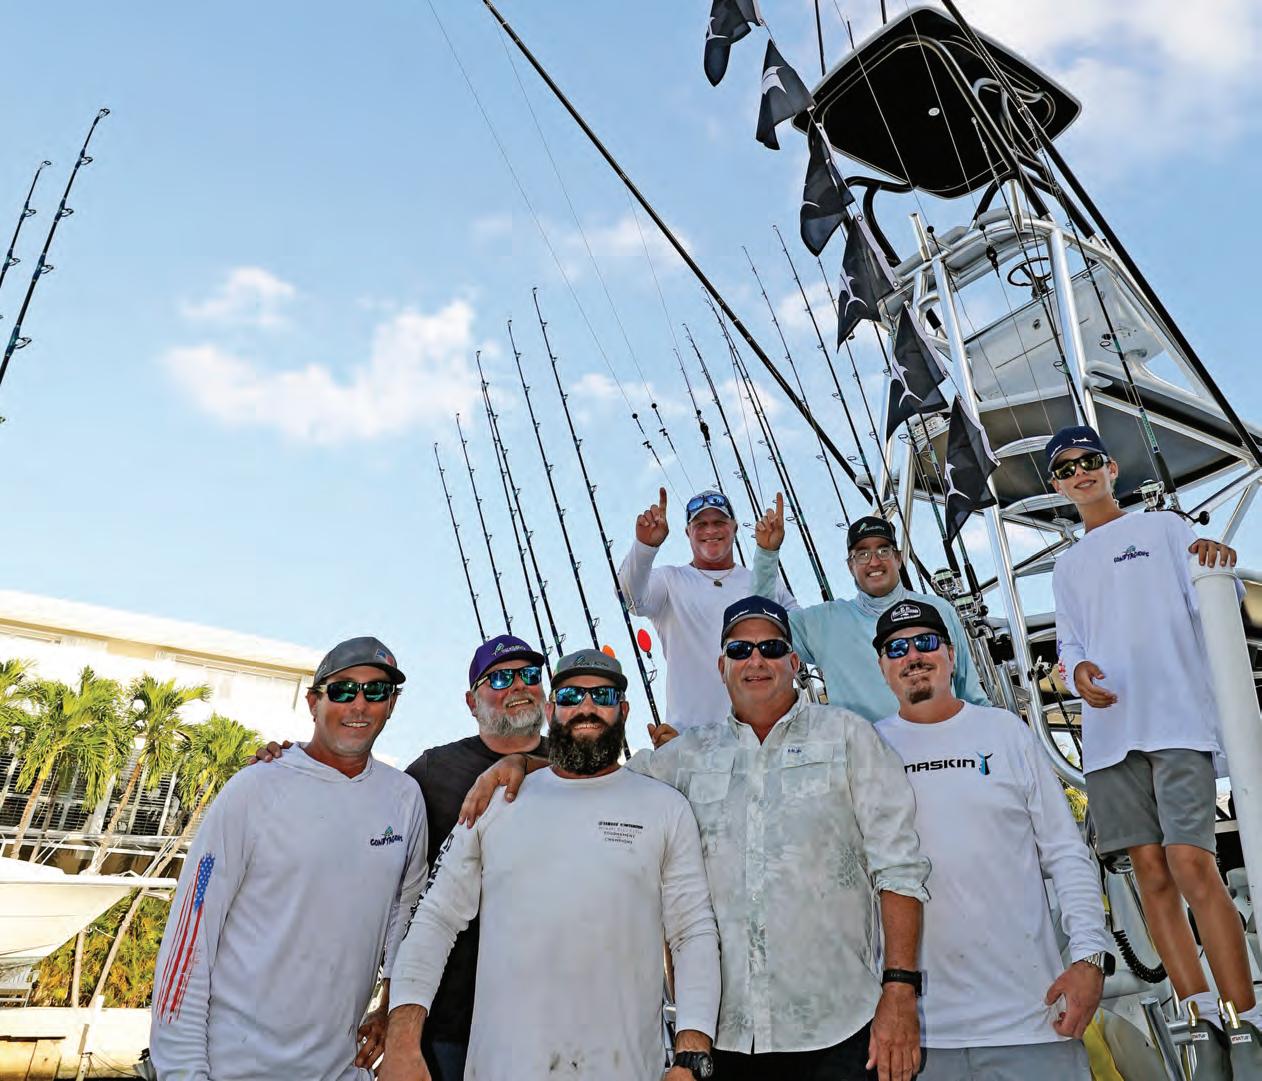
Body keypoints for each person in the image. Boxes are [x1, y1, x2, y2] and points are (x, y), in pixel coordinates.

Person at [460, 596, 930, 1081]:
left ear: (794, 662)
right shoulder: (684, 757)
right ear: (721, 667)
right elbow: (602, 778)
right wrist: (526, 763)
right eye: (740, 650)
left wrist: (899, 990)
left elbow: (898, 868)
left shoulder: (850, 736)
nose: (756, 660)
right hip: (721, 1040)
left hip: (841, 1027)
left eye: (770, 648)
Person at [380, 648, 720, 1081]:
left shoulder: (666, 807)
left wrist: (691, 1055)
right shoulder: (493, 801)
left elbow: (692, 933)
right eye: (571, 696)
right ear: (550, 709)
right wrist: (403, 1043)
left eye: (603, 696)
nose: (586, 708)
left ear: (624, 710)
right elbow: (435, 919)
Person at [1047, 423, 1262, 1057]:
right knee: (1149, 873)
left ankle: (1247, 1021)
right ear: (1057, 486)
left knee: (1193, 863)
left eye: (1089, 460)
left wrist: (1216, 558)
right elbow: (1070, 644)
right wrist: (1077, 674)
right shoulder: (1066, 565)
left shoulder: (1165, 527)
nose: (1080, 473)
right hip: (1109, 737)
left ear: (1111, 467)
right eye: (1065, 468)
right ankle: (1203, 1022)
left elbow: (1213, 585)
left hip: (1177, 724)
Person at [250, 632, 550, 1081]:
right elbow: (396, 889)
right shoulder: (430, 773)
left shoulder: (579, 772)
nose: (519, 685)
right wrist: (301, 763)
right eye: (500, 678)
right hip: (443, 1019)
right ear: (471, 702)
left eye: (529, 674)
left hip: (547, 1018)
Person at [149, 637, 428, 1081]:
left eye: (376, 691)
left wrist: (389, 1008)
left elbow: (406, 914)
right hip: (233, 1069)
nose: (359, 704)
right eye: (342, 690)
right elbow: (190, 936)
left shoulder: (404, 797)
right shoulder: (254, 788)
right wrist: (182, 1070)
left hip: (341, 1068)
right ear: (314, 702)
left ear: (391, 704)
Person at [871, 599, 1111, 1080]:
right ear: (882, 667)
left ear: (951, 655)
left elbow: (1067, 854)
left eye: (925, 643)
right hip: (918, 1035)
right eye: (897, 648)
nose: (912, 656)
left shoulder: (1006, 733)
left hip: (1033, 1023)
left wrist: (1090, 958)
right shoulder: (866, 747)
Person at [749, 495, 989, 720]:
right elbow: (760, 626)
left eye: (883, 551)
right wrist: (767, 555)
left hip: (940, 747)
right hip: (861, 751)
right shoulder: (824, 622)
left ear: (898, 558)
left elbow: (971, 694)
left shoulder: (939, 609)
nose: (874, 561)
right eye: (862, 554)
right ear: (850, 566)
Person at [618, 487, 796, 737]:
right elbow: (629, 598)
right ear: (687, 532)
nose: (710, 530)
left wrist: (769, 553)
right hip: (690, 742)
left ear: (734, 527)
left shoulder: (767, 582)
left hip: (765, 738)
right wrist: (645, 546)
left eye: (719, 522)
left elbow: (800, 636)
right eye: (700, 524)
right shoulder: (669, 580)